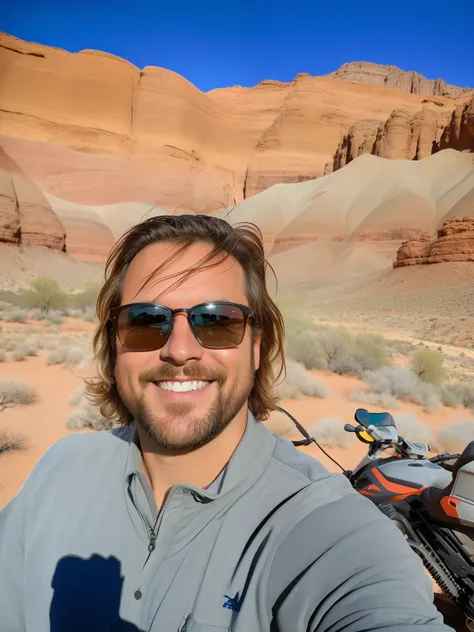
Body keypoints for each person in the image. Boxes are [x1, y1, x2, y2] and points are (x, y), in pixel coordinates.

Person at [0, 214, 452, 632]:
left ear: (257, 347)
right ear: (114, 345)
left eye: (216, 321)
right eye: (145, 321)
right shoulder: (59, 472)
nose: (179, 350)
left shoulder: (327, 532)